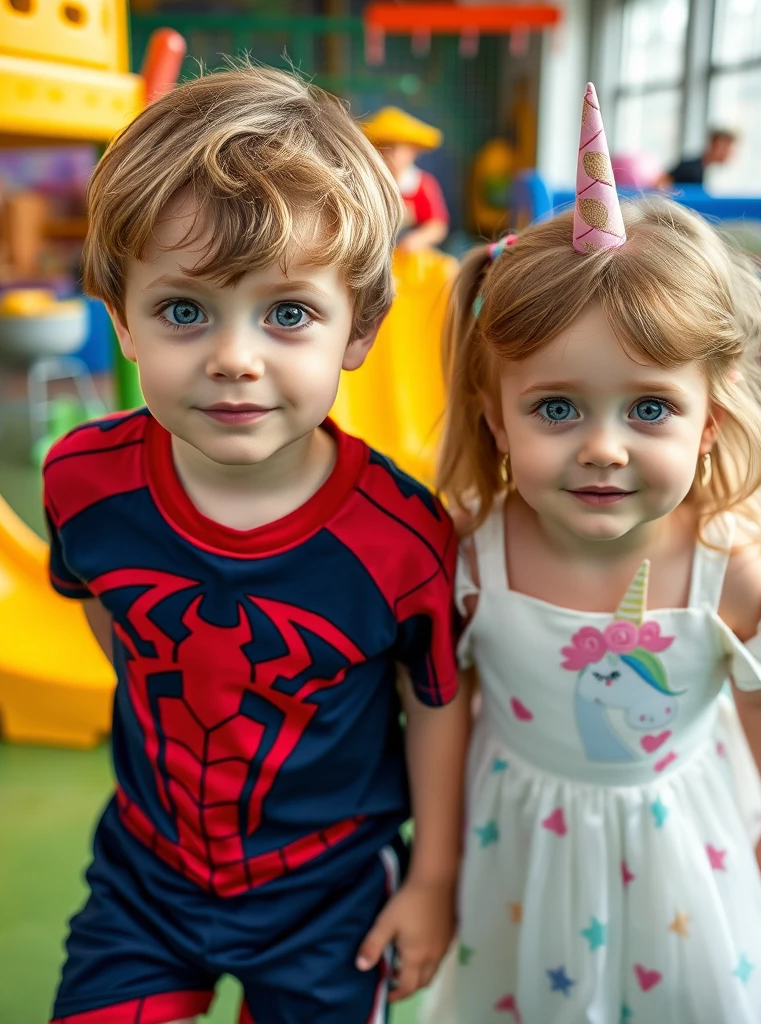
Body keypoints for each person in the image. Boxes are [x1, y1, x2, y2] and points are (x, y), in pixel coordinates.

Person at [42, 65, 469, 1024]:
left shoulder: (402, 540)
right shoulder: (83, 482)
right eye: (185, 310)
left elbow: (436, 703)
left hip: (331, 898)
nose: (236, 357)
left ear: (357, 327)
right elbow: (112, 618)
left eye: (288, 312)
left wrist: (434, 877)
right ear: (123, 322)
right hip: (146, 878)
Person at [421, 84, 761, 1023]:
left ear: (709, 422)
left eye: (649, 408)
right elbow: (443, 716)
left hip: (684, 854)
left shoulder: (734, 570)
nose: (604, 446)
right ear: (498, 416)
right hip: (518, 849)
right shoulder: (469, 559)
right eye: (558, 407)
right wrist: (437, 869)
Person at [362, 107, 450, 252]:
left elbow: (438, 225)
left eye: (400, 148)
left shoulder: (421, 184)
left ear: (413, 151)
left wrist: (418, 238)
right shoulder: (367, 182)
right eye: (386, 147)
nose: (393, 155)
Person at [666, 126, 738, 186]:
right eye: (727, 148)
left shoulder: (707, 171)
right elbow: (663, 183)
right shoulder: (688, 168)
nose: (729, 153)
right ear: (716, 145)